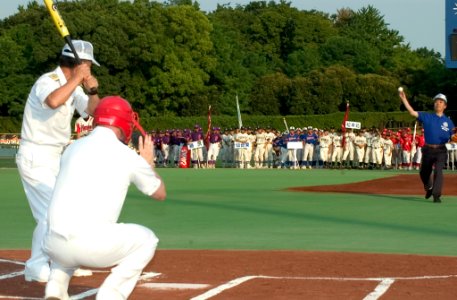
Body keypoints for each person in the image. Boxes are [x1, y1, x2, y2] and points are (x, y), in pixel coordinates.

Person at [42, 96, 166, 299]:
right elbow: (159, 192)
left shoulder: (72, 148)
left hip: (52, 245)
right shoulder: (127, 156)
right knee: (147, 240)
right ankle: (111, 295)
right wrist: (148, 164)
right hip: (90, 246)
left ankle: (55, 288)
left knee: (67, 223)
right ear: (124, 122)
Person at [16, 40, 100, 282]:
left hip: (56, 156)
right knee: (50, 214)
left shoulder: (75, 87)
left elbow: (93, 112)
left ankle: (65, 261)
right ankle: (36, 265)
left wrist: (92, 90)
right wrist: (77, 80)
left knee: (68, 209)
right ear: (79, 64)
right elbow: (53, 101)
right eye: (87, 65)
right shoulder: (48, 81)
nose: (90, 70)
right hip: (36, 154)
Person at [399, 91, 456, 203]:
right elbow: (412, 112)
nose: (438, 103)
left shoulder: (448, 122)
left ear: (445, 106)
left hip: (441, 150)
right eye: (436, 102)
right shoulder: (427, 116)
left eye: (440, 102)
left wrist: (454, 137)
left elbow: (453, 135)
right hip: (428, 149)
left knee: (438, 171)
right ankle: (429, 187)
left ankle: (436, 195)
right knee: (423, 172)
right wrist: (404, 99)